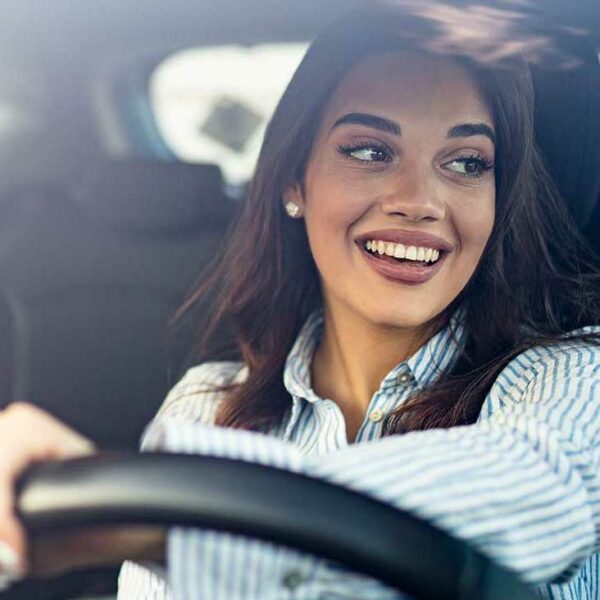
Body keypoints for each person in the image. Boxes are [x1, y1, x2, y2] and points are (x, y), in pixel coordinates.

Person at [1, 2, 600, 599]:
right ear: (294, 180)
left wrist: (156, 516)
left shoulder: (572, 377)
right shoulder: (207, 408)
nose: (420, 200)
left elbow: (546, 483)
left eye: (468, 162)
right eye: (369, 150)